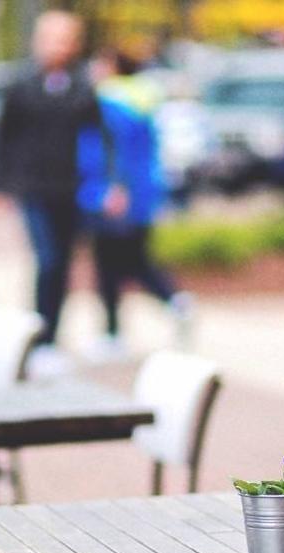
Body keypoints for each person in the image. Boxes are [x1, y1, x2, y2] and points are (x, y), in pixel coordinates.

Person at [0, 10, 123, 375]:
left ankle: (52, 336)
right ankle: (40, 339)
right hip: (34, 189)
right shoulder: (21, 84)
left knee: (64, 264)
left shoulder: (83, 86)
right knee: (48, 261)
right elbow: (0, 137)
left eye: (65, 39)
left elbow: (103, 138)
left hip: (71, 190)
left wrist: (110, 184)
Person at [77, 48, 192, 359]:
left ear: (112, 66)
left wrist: (110, 190)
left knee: (110, 267)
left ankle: (114, 334)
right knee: (136, 260)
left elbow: (108, 152)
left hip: (114, 197)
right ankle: (174, 301)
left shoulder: (109, 103)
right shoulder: (144, 99)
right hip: (142, 195)